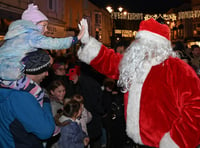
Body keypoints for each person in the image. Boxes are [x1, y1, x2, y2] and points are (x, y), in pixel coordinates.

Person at [77, 18, 200, 148]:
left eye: (143, 42)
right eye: (138, 41)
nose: (137, 46)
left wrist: (175, 141)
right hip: (135, 142)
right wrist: (87, 42)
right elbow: (109, 61)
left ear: (158, 45)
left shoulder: (177, 69)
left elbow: (196, 108)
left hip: (164, 144)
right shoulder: (133, 64)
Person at [0, 3, 85, 105]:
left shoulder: (18, 34)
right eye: (44, 25)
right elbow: (53, 43)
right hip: (10, 75)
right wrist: (76, 38)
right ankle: (35, 116)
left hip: (5, 74)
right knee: (38, 93)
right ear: (33, 24)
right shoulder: (31, 35)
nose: (46, 29)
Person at [0, 50, 55, 148]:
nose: (47, 74)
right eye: (45, 70)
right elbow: (46, 131)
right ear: (34, 70)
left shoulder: (5, 85)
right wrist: (46, 101)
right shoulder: (20, 97)